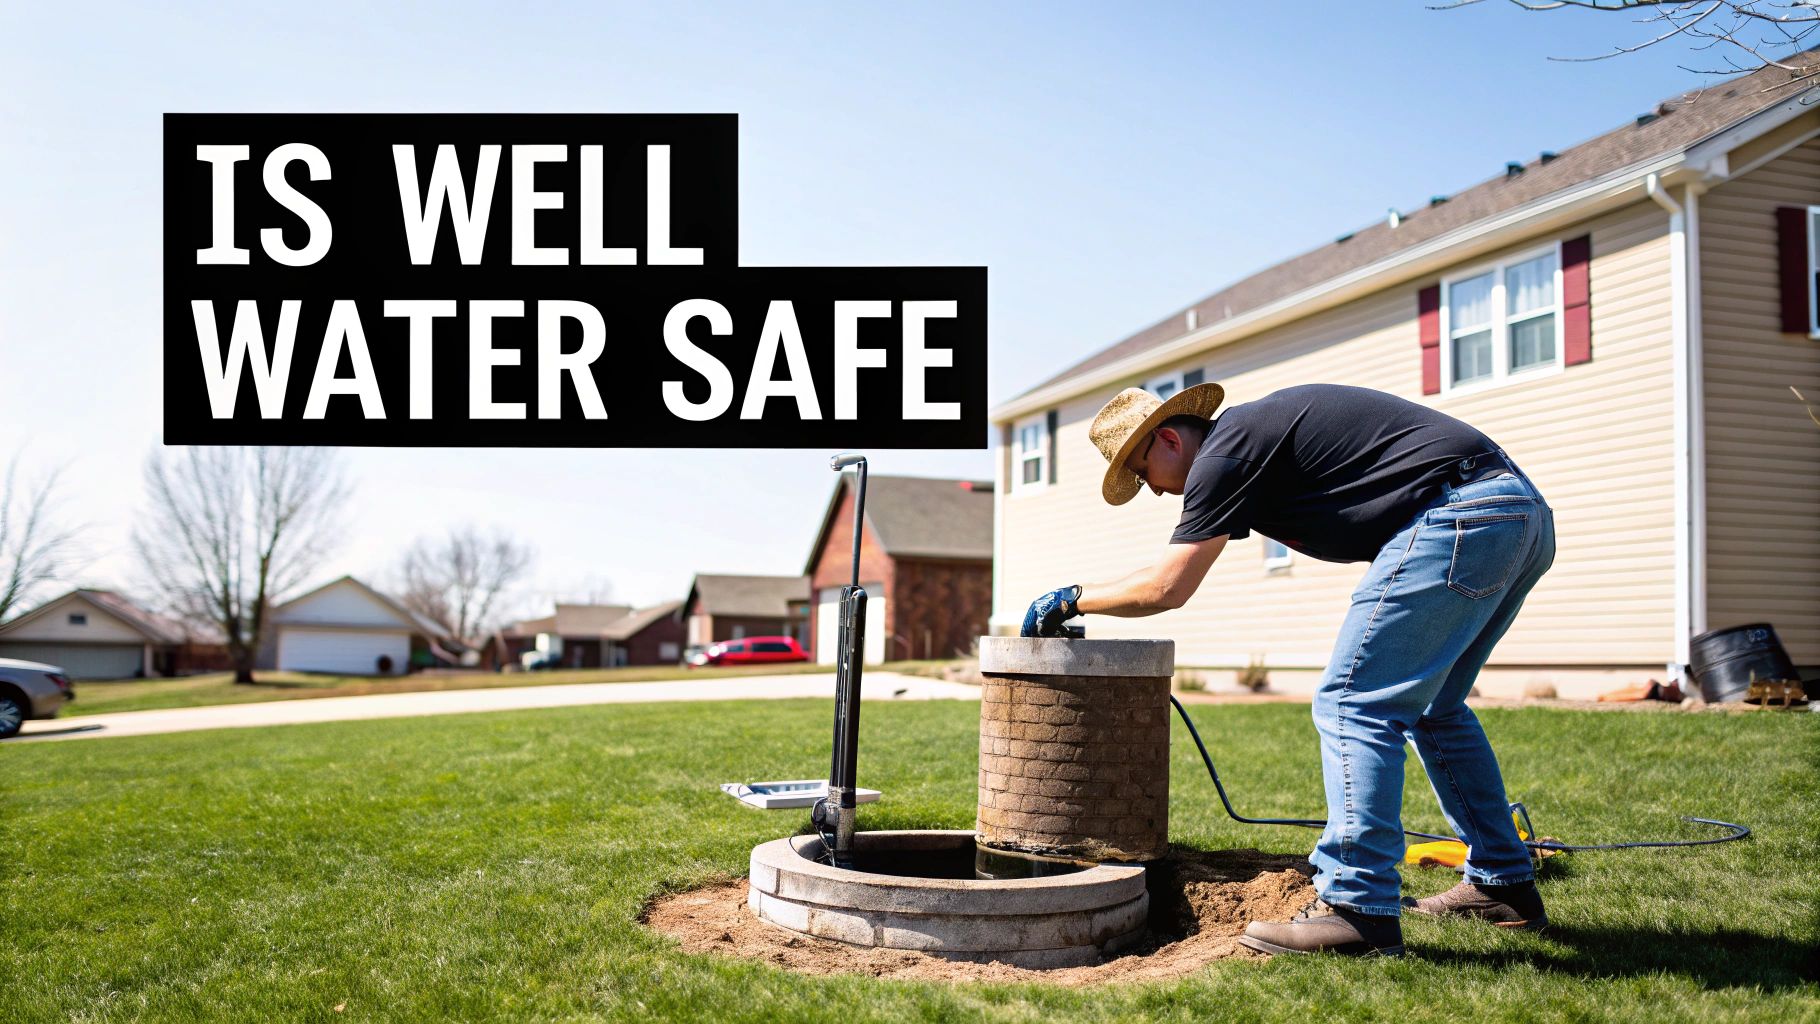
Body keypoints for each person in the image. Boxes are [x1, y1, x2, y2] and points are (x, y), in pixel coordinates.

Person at [1020, 382, 1555, 958]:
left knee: (1353, 703)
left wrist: (1072, 597)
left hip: (1460, 516)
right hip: (1514, 515)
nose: (1152, 490)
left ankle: (1357, 908)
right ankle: (1503, 883)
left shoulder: (1226, 455)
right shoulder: (1246, 446)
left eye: (1143, 472)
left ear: (1169, 439)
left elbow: (1167, 587)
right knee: (1433, 709)